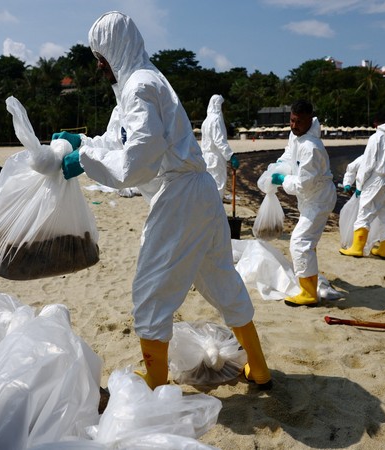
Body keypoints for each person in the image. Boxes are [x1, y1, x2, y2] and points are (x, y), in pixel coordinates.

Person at [56, 11, 271, 390]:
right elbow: (121, 141)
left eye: (100, 56)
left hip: (180, 197)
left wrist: (84, 161)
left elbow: (137, 164)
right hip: (200, 193)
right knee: (221, 277)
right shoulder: (139, 84)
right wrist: (84, 144)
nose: (99, 65)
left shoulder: (138, 87)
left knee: (152, 289)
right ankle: (258, 365)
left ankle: (154, 381)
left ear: (111, 51)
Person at [269, 99, 336, 307]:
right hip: (309, 200)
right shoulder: (296, 136)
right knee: (307, 241)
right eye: (291, 120)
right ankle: (310, 280)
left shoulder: (312, 148)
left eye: (298, 122)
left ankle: (308, 293)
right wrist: (280, 164)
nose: (293, 125)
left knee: (299, 242)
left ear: (309, 120)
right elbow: (290, 152)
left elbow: (303, 184)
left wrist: (283, 180)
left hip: (318, 199)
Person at [339, 112, 385, 259]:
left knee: (364, 212)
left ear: (375, 123)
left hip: (377, 179)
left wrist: (360, 186)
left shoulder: (376, 137)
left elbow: (368, 164)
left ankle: (357, 248)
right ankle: (382, 249)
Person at [200, 94, 239, 199]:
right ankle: (215, 213)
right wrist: (230, 156)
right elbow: (219, 141)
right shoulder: (216, 119)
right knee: (218, 185)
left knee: (208, 186)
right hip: (215, 158)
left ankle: (207, 211)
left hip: (206, 158)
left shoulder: (206, 121)